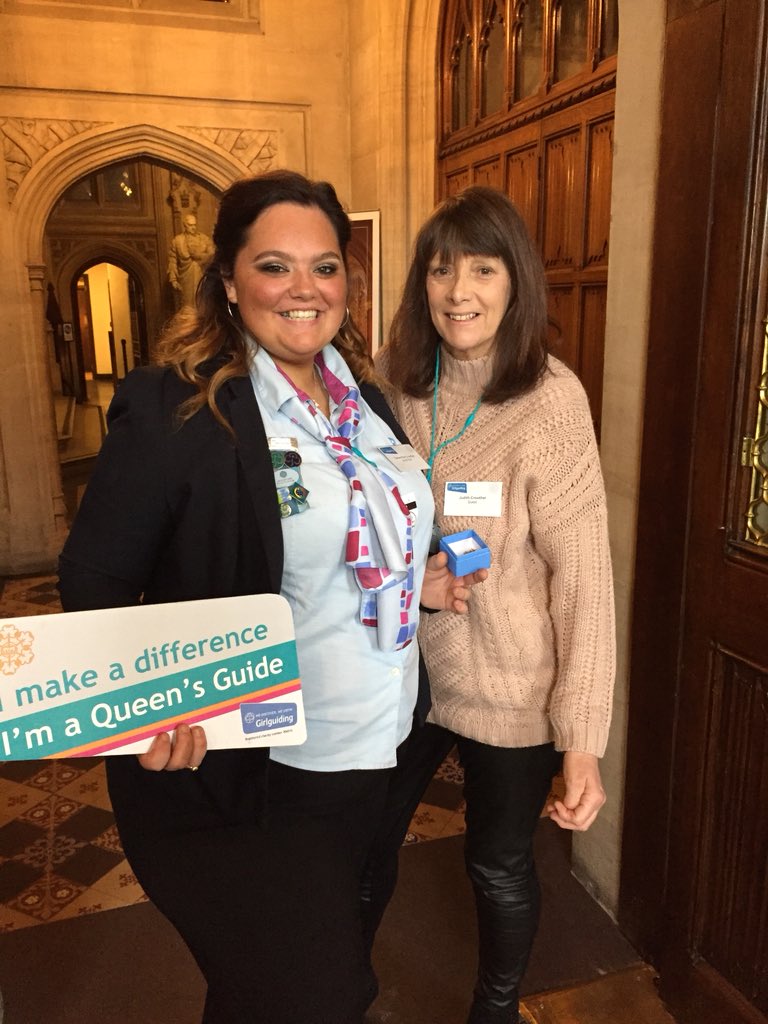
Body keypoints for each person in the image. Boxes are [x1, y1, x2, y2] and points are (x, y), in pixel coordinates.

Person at [58, 170, 485, 1024]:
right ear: (228, 281)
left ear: (347, 282)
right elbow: (95, 582)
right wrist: (145, 708)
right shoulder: (179, 405)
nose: (304, 289)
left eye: (325, 267)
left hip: (382, 748)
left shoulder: (362, 403)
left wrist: (421, 579)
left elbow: (362, 539)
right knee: (315, 993)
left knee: (279, 986)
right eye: (275, 266)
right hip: (263, 773)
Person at [365, 185, 615, 1024]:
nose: (458, 291)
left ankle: (496, 1009)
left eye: (481, 268)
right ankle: (339, 989)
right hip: (405, 667)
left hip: (512, 683)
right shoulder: (394, 389)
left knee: (498, 864)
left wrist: (582, 742)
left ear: (516, 282)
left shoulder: (550, 401)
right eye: (441, 270)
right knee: (361, 846)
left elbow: (583, 580)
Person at [167, 211, 215, 308]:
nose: (193, 227)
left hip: (202, 275)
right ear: (185, 225)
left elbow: (212, 254)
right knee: (187, 306)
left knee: (202, 303)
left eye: (194, 225)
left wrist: (200, 256)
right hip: (185, 279)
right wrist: (173, 279)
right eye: (190, 225)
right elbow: (172, 260)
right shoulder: (178, 241)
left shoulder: (204, 239)